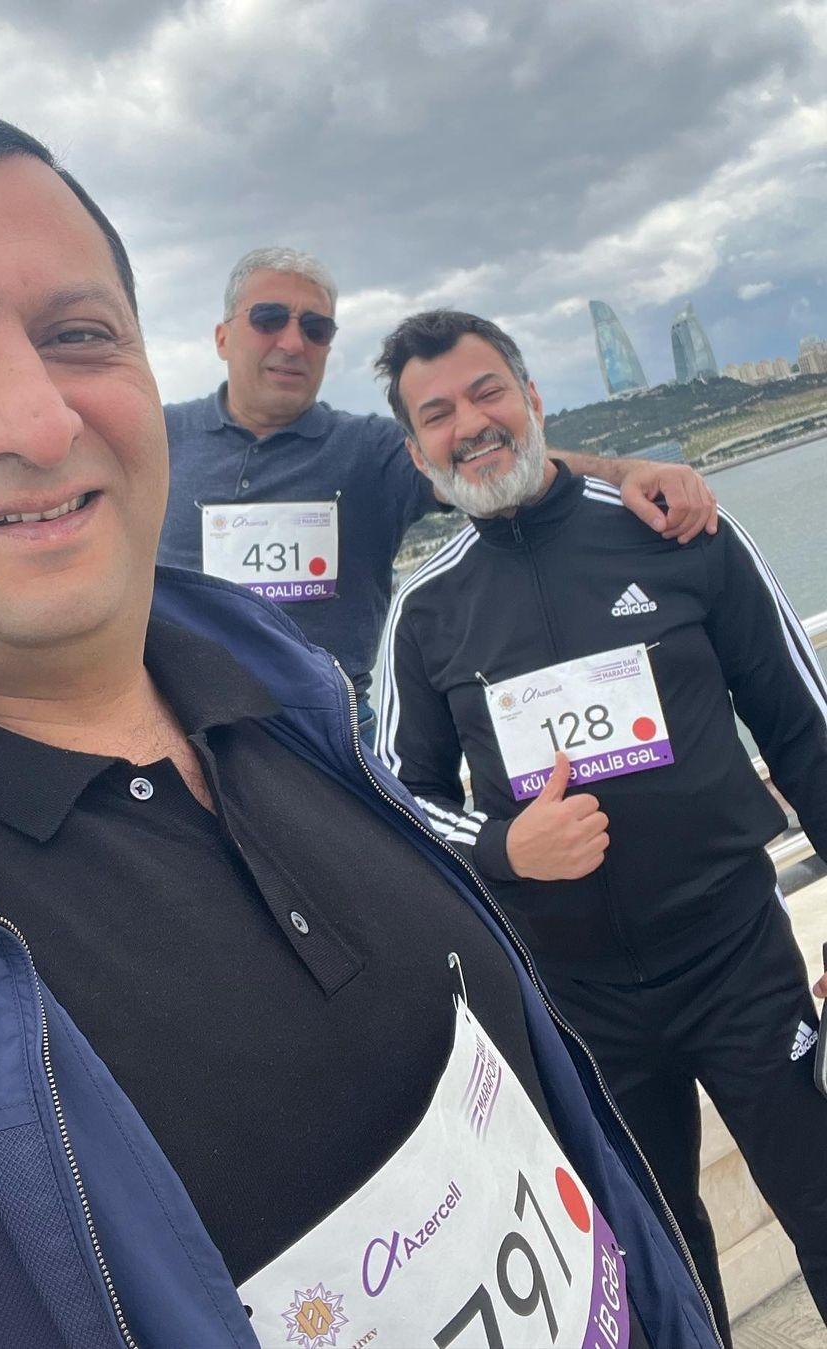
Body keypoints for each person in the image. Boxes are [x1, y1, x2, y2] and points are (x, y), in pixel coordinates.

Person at [0, 103, 723, 1349]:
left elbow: (482, 457)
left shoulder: (309, 696)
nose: (40, 422)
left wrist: (623, 473)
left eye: (78, 334)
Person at [374, 308, 827, 1348]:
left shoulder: (676, 532)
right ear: (417, 451)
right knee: (658, 1268)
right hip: (580, 1008)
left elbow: (803, 732)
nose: (470, 424)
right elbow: (396, 805)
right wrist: (503, 847)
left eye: (488, 391)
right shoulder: (427, 611)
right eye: (437, 413)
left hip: (741, 956)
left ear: (534, 399)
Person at [158, 246, 718, 733]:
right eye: (269, 318)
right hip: (177, 732)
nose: (293, 342)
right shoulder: (157, 438)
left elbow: (490, 463)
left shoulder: (370, 452)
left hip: (325, 742)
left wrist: (623, 473)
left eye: (316, 328)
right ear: (223, 336)